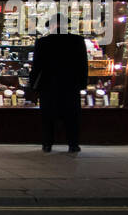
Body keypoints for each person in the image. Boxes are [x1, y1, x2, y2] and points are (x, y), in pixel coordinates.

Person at [29, 20, 89, 153]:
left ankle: (47, 144)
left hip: (49, 84)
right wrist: (83, 83)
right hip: (70, 84)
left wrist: (33, 85)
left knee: (48, 116)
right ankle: (73, 144)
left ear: (51, 27)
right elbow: (83, 64)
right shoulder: (77, 41)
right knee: (71, 116)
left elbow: (37, 66)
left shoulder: (42, 42)